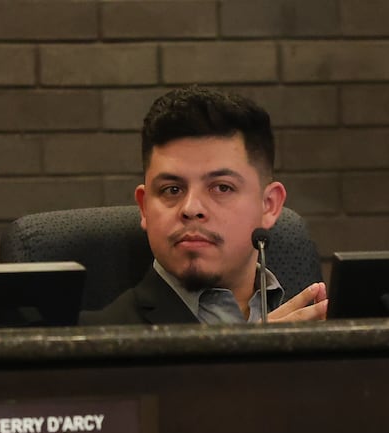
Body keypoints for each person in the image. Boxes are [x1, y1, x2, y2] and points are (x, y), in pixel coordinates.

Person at [80, 85, 328, 326]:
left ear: (269, 205)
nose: (191, 208)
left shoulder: (328, 321)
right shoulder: (89, 345)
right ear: (144, 208)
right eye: (172, 190)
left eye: (221, 188)